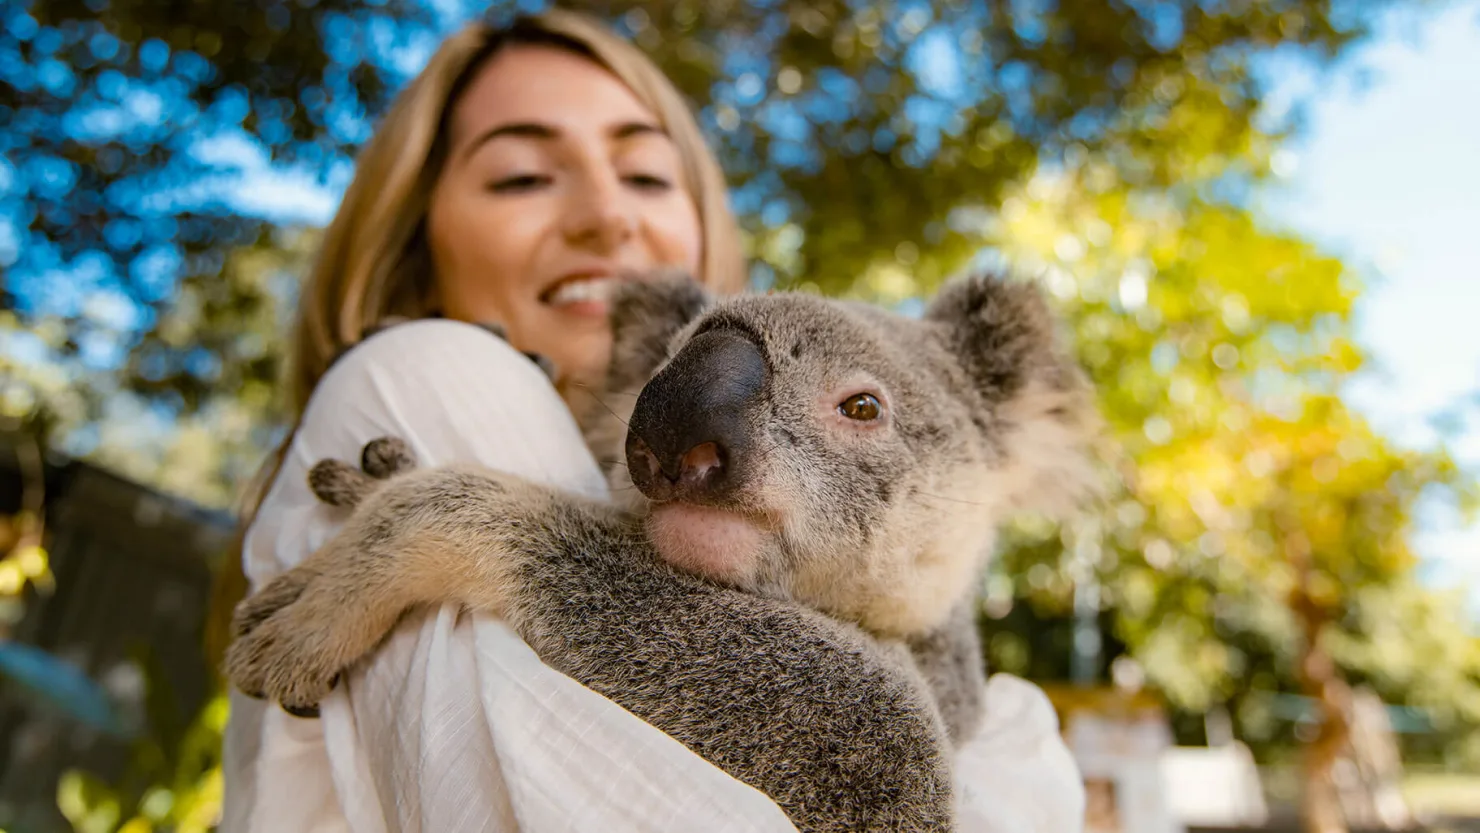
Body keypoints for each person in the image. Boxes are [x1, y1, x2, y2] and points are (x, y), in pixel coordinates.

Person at [211, 9, 1086, 832]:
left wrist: (494, 535)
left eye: (645, 174)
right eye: (521, 175)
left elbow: (873, 763)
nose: (606, 216)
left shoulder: (961, 682)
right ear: (414, 240)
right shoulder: (422, 370)